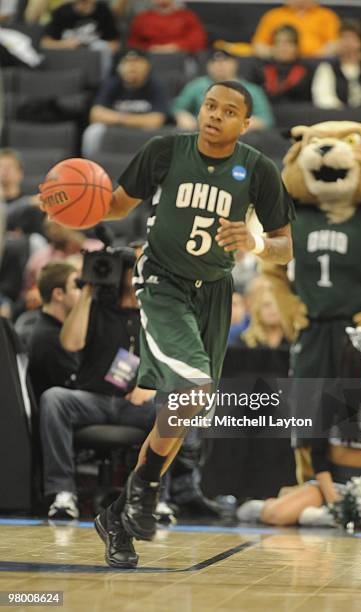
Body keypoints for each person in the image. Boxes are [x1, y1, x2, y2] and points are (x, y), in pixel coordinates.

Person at [72, 80, 294, 568]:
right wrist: (72, 203)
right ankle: (146, 490)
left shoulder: (258, 169)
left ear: (245, 123)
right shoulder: (164, 151)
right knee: (192, 385)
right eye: (209, 106)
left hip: (214, 294)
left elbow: (285, 246)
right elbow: (114, 205)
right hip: (163, 283)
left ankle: (119, 514)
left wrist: (254, 243)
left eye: (227, 110)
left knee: (184, 406)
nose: (214, 115)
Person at [237, 337, 361, 528]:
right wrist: (333, 498)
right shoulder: (330, 401)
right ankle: (271, 507)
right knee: (276, 515)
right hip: (328, 485)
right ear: (359, 365)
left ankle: (320, 516)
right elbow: (318, 457)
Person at [39, 249, 156, 520]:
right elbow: (70, 343)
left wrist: (151, 386)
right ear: (123, 272)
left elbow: (172, 360)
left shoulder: (155, 312)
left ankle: (154, 495)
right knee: (54, 398)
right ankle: (63, 492)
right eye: (136, 267)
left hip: (134, 405)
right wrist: (88, 291)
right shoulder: (96, 307)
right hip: (92, 399)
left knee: (177, 405)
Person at [82, 49, 169, 159]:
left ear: (147, 66)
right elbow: (95, 114)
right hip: (115, 130)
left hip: (144, 132)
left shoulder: (156, 85)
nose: (132, 66)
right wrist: (135, 119)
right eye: (126, 62)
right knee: (93, 131)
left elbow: (156, 120)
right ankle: (92, 169)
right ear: (119, 67)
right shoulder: (111, 84)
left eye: (137, 62)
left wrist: (117, 118)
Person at [172, 50, 274, 132]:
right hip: (202, 135)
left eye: (225, 62)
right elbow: (176, 107)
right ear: (208, 66)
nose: (220, 66)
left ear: (235, 64)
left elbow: (266, 120)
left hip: (240, 139)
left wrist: (240, 124)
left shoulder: (252, 89)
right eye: (215, 62)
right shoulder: (197, 85)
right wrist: (181, 115)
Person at [28, 262, 81, 403]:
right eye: (77, 287)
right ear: (58, 294)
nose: (82, 294)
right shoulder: (48, 338)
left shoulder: (56, 329)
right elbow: (78, 385)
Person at [252, 0, 340, 60]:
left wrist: (312, 58)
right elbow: (259, 45)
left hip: (315, 63)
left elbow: (334, 44)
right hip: (279, 64)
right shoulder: (273, 15)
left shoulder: (327, 16)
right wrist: (280, 54)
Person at [127, 0, 207, 53]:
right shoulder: (142, 18)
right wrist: (150, 48)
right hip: (149, 57)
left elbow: (198, 41)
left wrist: (176, 46)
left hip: (180, 56)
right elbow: (133, 44)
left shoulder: (186, 16)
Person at [259, 25, 313, 103]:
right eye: (278, 42)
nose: (283, 47)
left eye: (288, 42)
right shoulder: (261, 68)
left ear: (296, 46)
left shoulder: (306, 70)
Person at [40, 0, 119, 50]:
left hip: (94, 59)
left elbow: (114, 45)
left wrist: (94, 47)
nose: (84, 4)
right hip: (67, 58)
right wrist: (64, 44)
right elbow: (45, 43)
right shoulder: (61, 12)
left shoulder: (104, 11)